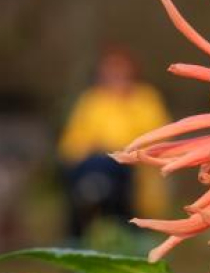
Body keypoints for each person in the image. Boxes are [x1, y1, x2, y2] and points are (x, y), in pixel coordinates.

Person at [58, 45, 171, 238]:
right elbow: (71, 143)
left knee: (110, 168)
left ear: (132, 72)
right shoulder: (92, 100)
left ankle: (94, 193)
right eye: (111, 70)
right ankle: (98, 190)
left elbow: (161, 137)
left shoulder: (145, 99)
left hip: (131, 164)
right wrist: (90, 148)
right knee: (98, 165)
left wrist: (122, 150)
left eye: (121, 70)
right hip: (93, 161)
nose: (116, 75)